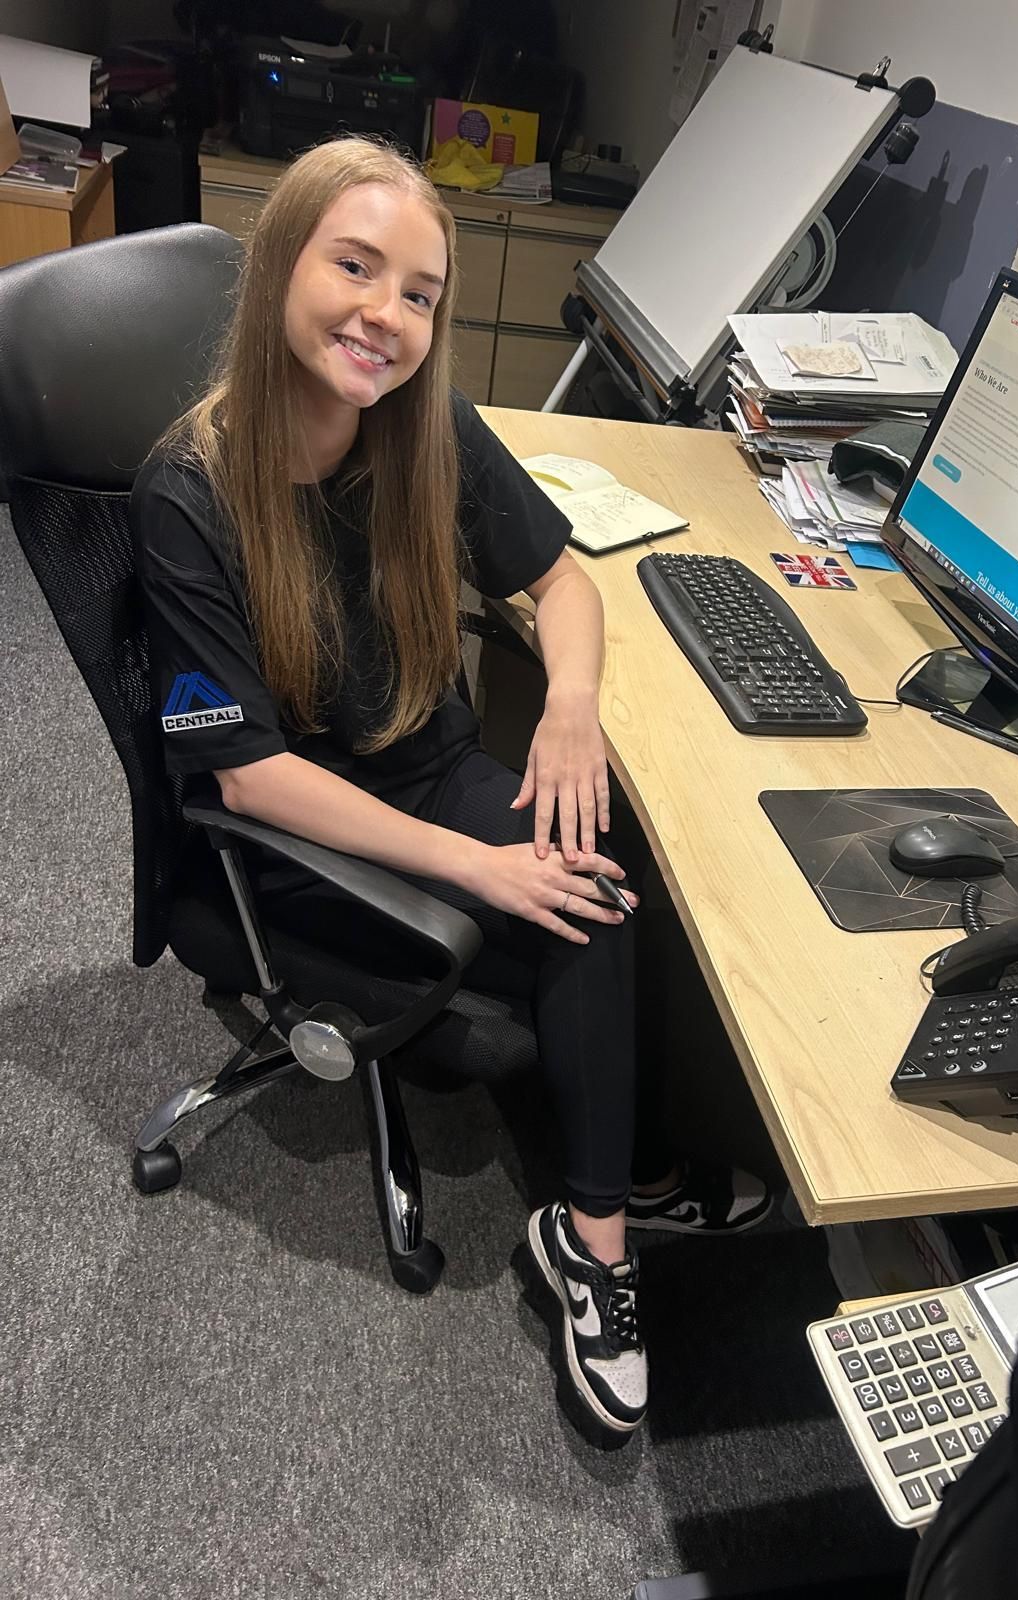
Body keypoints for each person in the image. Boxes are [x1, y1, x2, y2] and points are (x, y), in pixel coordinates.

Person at [131, 137, 770, 1438]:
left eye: (419, 292)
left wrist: (572, 710)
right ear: (277, 268)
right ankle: (605, 1237)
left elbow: (566, 581)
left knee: (598, 866)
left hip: (429, 769)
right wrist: (479, 864)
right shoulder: (187, 491)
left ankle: (601, 1200)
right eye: (354, 267)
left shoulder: (421, 431)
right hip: (302, 838)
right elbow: (248, 781)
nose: (387, 315)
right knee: (559, 895)